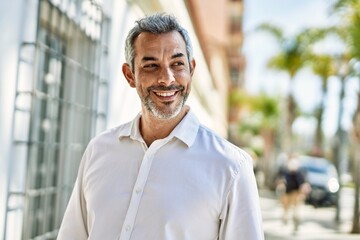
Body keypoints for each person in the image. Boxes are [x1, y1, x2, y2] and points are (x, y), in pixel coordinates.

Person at [57, 13, 264, 240]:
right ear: (130, 75)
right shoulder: (98, 150)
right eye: (151, 65)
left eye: (177, 64)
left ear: (191, 70)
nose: (166, 78)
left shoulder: (231, 167)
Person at [276, 153, 310, 232]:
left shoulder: (301, 171)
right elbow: (279, 180)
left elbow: (305, 183)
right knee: (285, 211)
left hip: (297, 193)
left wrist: (303, 192)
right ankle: (285, 221)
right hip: (286, 194)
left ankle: (296, 224)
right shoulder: (284, 170)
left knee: (297, 212)